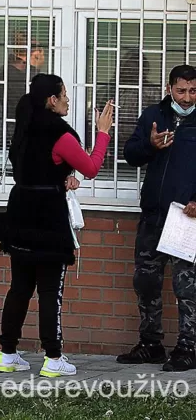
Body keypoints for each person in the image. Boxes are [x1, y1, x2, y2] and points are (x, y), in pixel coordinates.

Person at [0, 74, 113, 378]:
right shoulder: (59, 133)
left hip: (20, 214)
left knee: (20, 287)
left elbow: (36, 168)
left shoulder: (24, 126)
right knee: (50, 290)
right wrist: (103, 133)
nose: (67, 100)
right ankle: (53, 357)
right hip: (48, 218)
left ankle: (7, 354)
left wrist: (62, 178)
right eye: (63, 95)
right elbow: (91, 168)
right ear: (52, 99)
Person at [117, 64, 196, 371]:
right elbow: (130, 154)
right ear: (169, 89)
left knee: (186, 286)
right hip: (154, 215)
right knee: (146, 280)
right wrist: (150, 145)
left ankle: (188, 347)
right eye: (181, 91)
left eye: (193, 91)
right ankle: (151, 344)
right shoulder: (153, 115)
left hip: (186, 217)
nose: (187, 98)